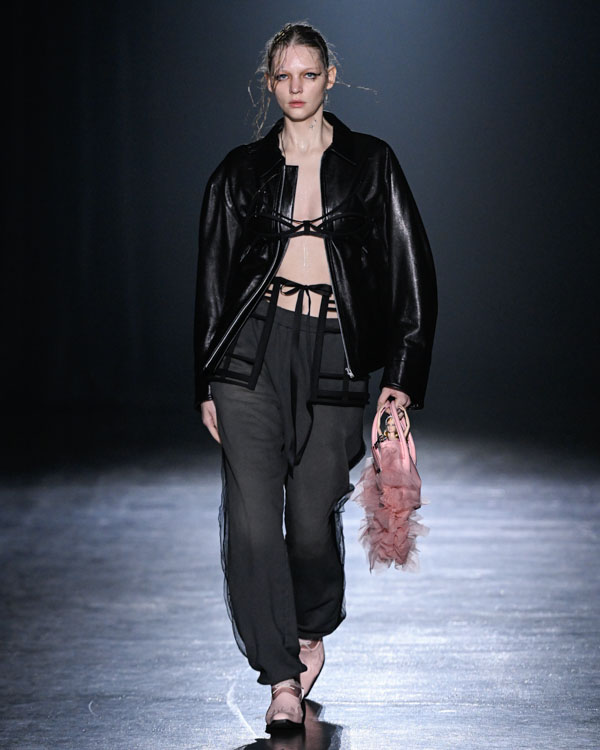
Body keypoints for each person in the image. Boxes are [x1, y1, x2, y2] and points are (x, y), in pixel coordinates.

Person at [194, 22, 437, 733]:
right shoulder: (239, 172)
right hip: (250, 353)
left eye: (308, 74)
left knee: (309, 520)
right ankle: (280, 678)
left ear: (330, 77)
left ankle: (310, 628)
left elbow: (412, 268)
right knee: (251, 522)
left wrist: (402, 371)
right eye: (283, 76)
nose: (295, 88)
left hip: (334, 349)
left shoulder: (372, 163)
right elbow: (211, 280)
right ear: (269, 84)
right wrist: (204, 381)